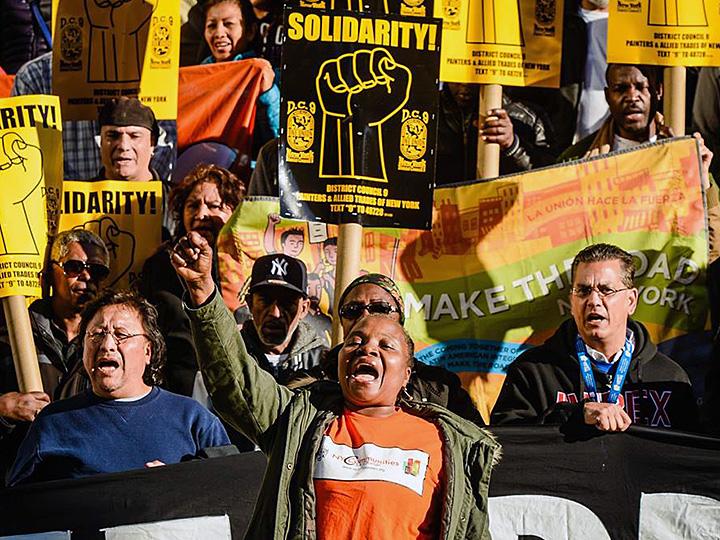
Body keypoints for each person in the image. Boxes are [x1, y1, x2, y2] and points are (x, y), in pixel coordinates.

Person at [171, 231, 500, 539]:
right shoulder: (300, 416)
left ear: (408, 373)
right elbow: (236, 381)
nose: (367, 347)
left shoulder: (449, 441)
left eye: (386, 345)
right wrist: (203, 292)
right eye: (355, 339)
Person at [7, 290, 230, 485]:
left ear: (148, 351)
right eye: (96, 334)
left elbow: (229, 491)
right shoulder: (52, 423)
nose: (107, 345)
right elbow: (19, 511)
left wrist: (180, 484)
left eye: (121, 335)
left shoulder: (194, 419)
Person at [491, 243, 700, 432]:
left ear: (631, 301)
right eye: (583, 291)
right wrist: (572, 415)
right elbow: (506, 445)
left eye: (606, 290)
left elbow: (691, 458)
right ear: (571, 302)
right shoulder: (532, 372)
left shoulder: (670, 378)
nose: (593, 301)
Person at [288, 274, 486, 426]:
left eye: (380, 308)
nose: (365, 316)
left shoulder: (440, 389)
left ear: (400, 317)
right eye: (352, 311)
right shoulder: (309, 387)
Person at [0, 230, 110, 474]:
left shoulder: (113, 341)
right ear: (51, 271)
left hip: (85, 480)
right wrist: (5, 408)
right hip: (19, 481)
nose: (86, 276)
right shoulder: (11, 331)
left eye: (97, 270)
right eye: (74, 266)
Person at [140, 163, 244, 396]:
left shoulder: (249, 264)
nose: (201, 214)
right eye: (193, 205)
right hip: (179, 391)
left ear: (234, 211)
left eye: (213, 205)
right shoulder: (160, 266)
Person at [11, 52, 176, 181]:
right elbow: (22, 156)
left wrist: (137, 190)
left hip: (141, 206)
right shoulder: (35, 77)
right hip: (62, 210)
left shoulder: (153, 68)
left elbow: (165, 141)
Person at [436, 83, 555, 184]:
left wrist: (513, 145)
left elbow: (549, 179)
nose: (464, 86)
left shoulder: (528, 117)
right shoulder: (427, 109)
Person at [238, 254, 326, 385]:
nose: (275, 313)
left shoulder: (322, 363)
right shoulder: (229, 357)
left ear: (303, 308)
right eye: (265, 301)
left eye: (287, 303)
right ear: (250, 304)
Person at [201, 0, 279, 147]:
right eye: (211, 26)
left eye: (228, 24)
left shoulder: (265, 74)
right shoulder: (199, 73)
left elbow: (278, 140)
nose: (219, 33)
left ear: (250, 31)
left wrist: (268, 93)